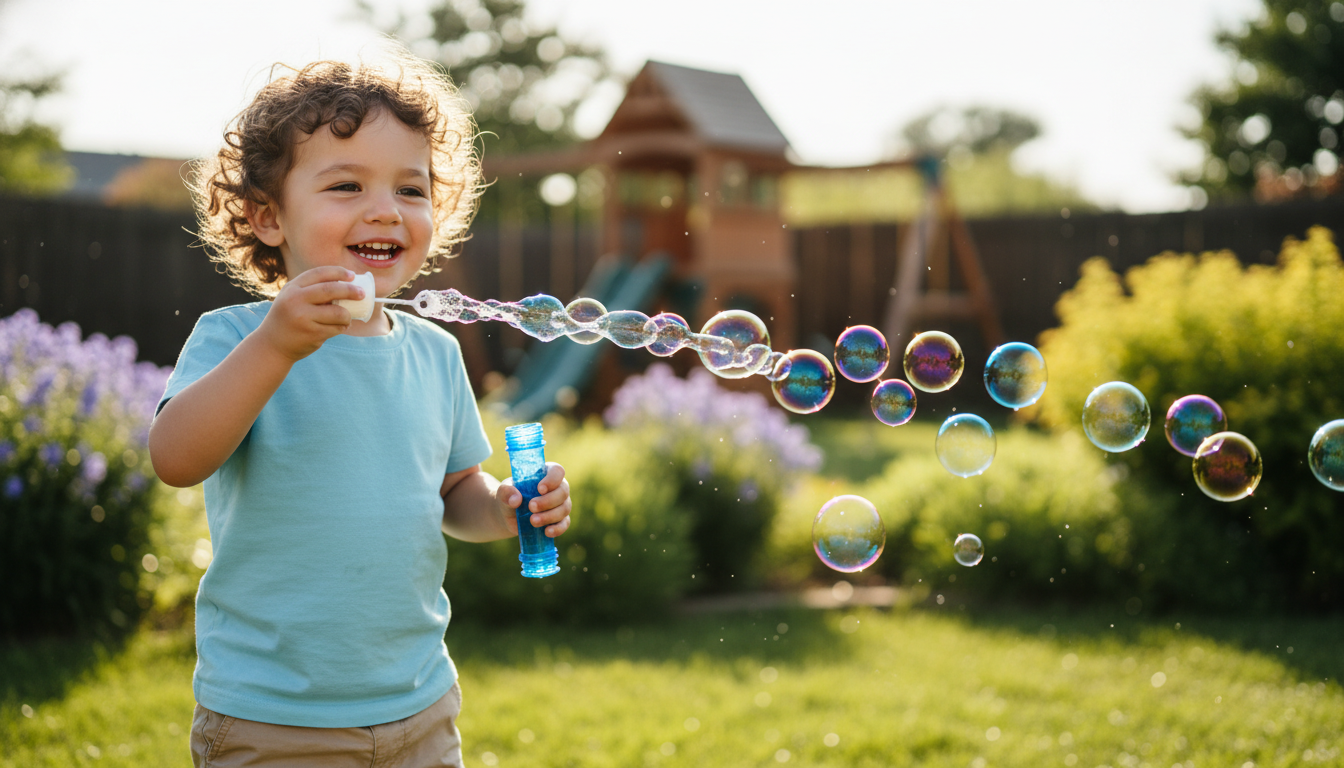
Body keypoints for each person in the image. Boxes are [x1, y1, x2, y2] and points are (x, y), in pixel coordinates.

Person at [148, 48, 572, 768]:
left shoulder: (434, 353)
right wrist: (277, 346)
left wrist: (504, 507)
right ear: (267, 217)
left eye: (412, 190)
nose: (385, 209)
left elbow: (451, 491)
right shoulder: (236, 339)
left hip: (419, 704)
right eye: (346, 185)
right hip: (273, 718)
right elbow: (176, 459)